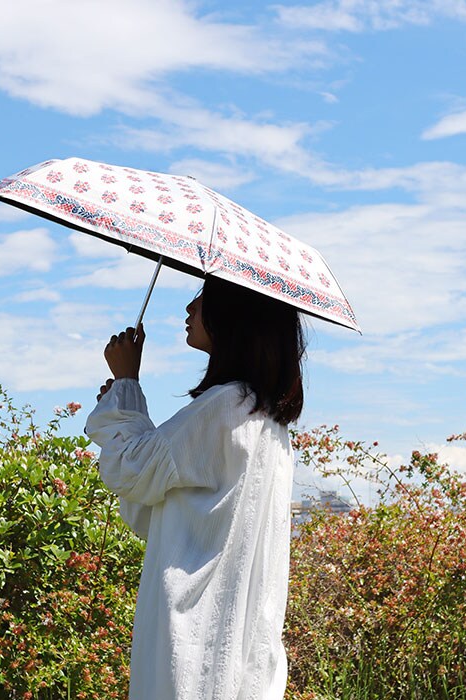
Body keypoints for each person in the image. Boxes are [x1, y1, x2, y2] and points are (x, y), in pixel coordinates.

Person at [85, 275, 306, 700]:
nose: (190, 307)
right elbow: (167, 495)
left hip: (195, 636)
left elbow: (133, 471)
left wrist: (126, 383)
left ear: (234, 315)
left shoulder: (225, 406)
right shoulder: (267, 421)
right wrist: (125, 406)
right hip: (233, 638)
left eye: (203, 298)